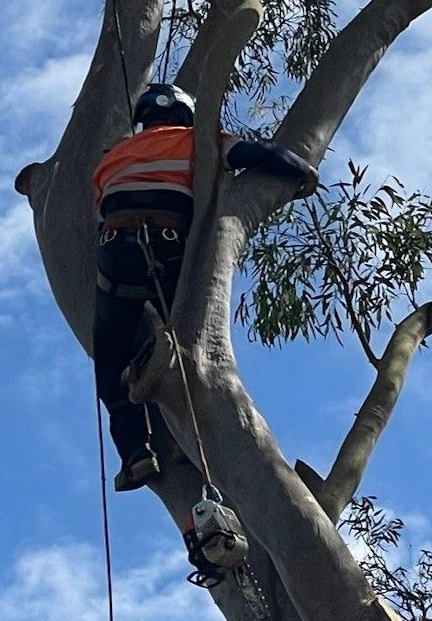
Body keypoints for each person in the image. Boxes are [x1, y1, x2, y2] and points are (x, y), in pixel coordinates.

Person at [92, 82, 320, 490]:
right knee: (186, 342)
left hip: (116, 254)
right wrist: (301, 170)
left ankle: (136, 453)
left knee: (111, 359)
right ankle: (190, 438)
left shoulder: (111, 159)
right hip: (168, 249)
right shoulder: (198, 142)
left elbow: (105, 207)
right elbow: (256, 154)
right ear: (185, 116)